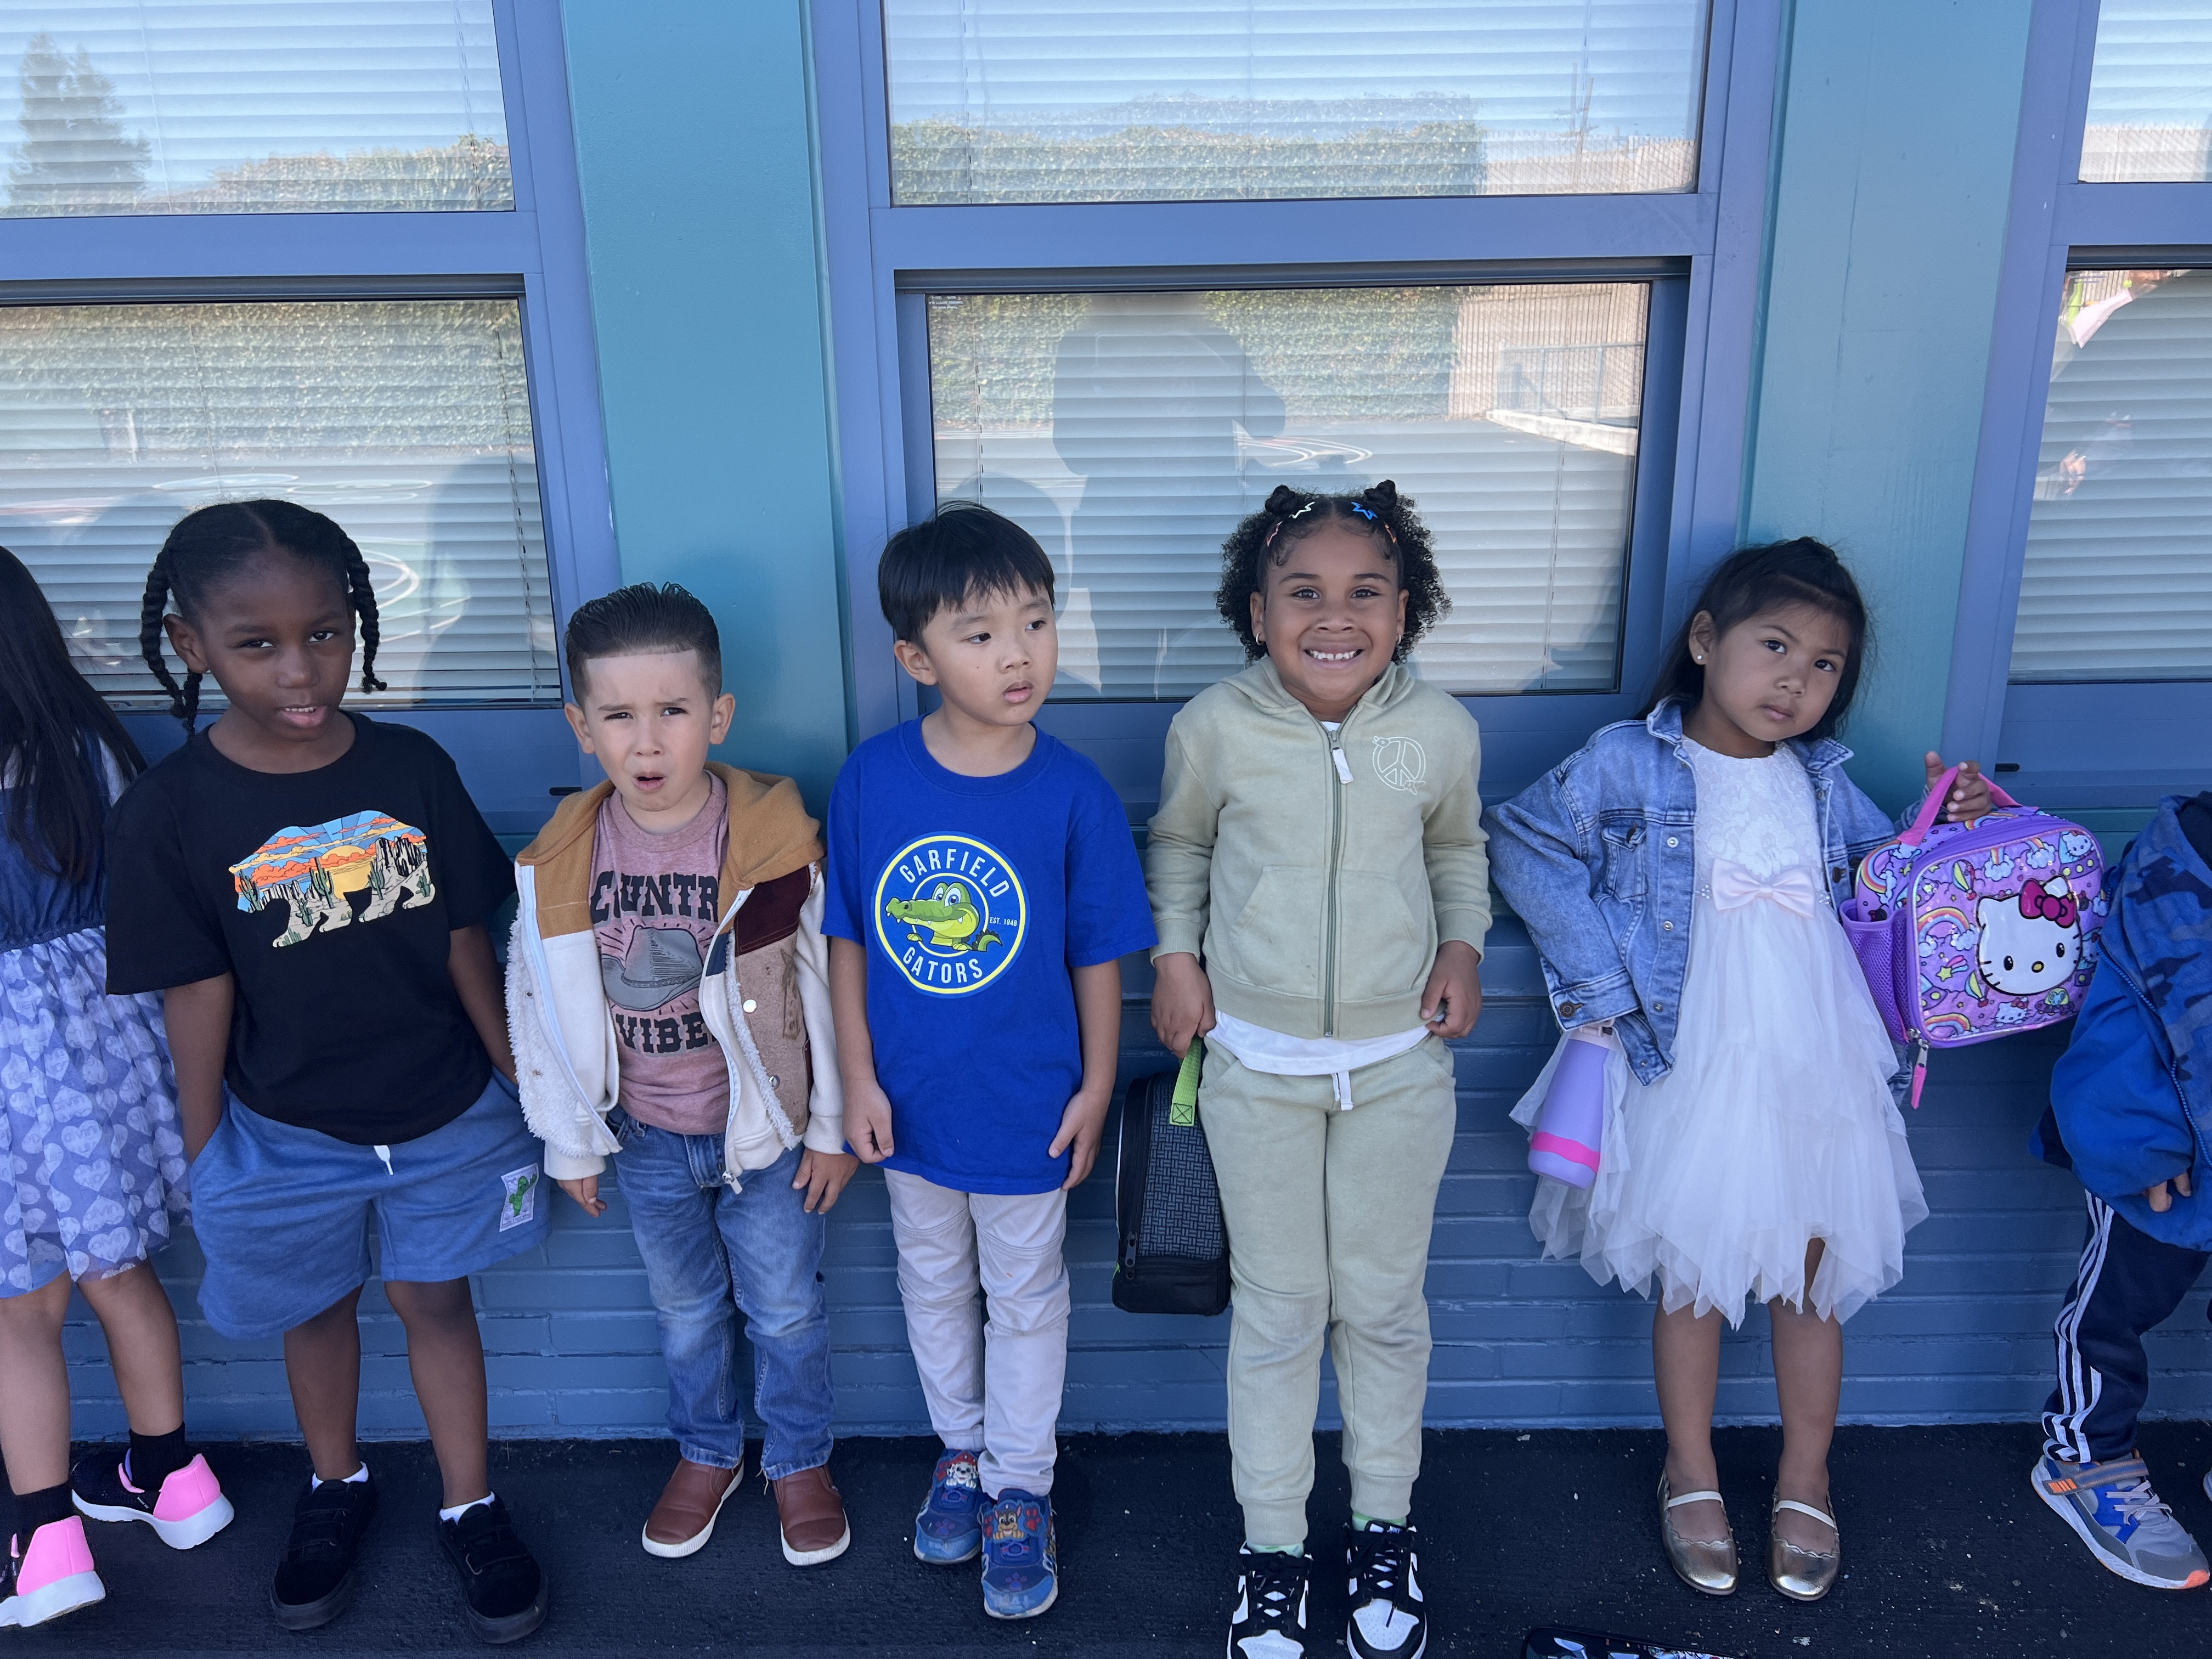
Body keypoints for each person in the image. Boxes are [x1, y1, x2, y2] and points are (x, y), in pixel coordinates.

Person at [1486, 538, 1991, 1604]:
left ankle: (1807, 1476)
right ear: (1707, 641)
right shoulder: (1628, 761)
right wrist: (1603, 985)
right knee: (1696, 1270)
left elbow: (1891, 889)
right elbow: (1526, 841)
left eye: (1824, 664)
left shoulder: (1825, 784)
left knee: (1814, 1270)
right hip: (1693, 1056)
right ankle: (1693, 1471)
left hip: (1815, 1059)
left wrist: (1948, 828)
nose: (1796, 680)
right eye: (1775, 647)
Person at [103, 500, 550, 1643]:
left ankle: (470, 1504)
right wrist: (206, 1150)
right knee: (315, 1310)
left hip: (448, 1109)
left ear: (356, 625)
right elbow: (194, 989)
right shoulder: (170, 811)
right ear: (191, 644)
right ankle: (336, 1484)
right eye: (257, 644)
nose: (301, 670)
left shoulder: (411, 766)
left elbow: (466, 939)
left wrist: (527, 1089)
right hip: (282, 1128)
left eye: (326, 633)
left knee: (436, 1300)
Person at [1148, 481, 1488, 1659]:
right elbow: (1181, 841)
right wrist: (1175, 956)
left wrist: (1461, 945)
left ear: (1404, 611)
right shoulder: (1215, 726)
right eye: (1303, 593)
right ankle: (1275, 1549)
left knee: (1384, 1307)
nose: (1334, 617)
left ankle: (1385, 1527)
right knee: (1282, 1312)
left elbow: (1457, 847)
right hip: (1257, 1066)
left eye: (1365, 593)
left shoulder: (1439, 730)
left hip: (1398, 1067)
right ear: (1259, 613)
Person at [825, 503, 1154, 1621]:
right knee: (929, 1283)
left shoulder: (1074, 791)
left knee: (1024, 1298)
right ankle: (960, 1455)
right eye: (980, 634)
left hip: (1028, 1107)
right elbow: (850, 940)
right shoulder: (872, 781)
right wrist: (858, 1078)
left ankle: (1021, 1486)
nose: (1019, 655)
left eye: (1036, 623)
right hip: (910, 1107)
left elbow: (1100, 954)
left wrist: (1097, 1086)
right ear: (915, 658)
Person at [506, 582, 856, 1567]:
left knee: (786, 1309)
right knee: (687, 1312)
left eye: (673, 710)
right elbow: (538, 1002)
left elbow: (825, 988)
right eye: (619, 716)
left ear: (719, 715)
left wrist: (831, 1128)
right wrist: (571, 1141)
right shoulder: (563, 857)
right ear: (582, 727)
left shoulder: (772, 845)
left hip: (768, 1135)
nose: (648, 742)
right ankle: (708, 1451)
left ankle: (799, 1459)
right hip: (648, 1137)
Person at [0, 548, 229, 1629]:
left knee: (19, 1311)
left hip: (10, 1073)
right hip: (108, 1041)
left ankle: (46, 1546)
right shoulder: (91, 749)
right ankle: (175, 1481)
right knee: (121, 1272)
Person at [2029, 790, 2212, 1592]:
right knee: (2117, 1310)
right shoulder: (2182, 869)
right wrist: (2139, 1141)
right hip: (2169, 1155)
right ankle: (2085, 1459)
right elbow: (2125, 1020)